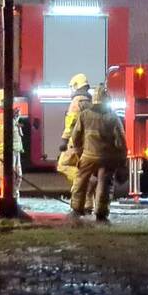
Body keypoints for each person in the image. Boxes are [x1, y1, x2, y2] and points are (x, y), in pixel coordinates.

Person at [68, 84, 126, 223]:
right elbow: (121, 141)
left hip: (88, 156)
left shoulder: (85, 115)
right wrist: (121, 159)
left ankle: (77, 209)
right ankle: (101, 212)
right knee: (104, 184)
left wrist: (79, 153)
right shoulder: (113, 117)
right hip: (107, 158)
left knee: (81, 181)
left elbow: (76, 136)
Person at [57, 74, 93, 185]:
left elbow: (71, 122)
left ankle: (85, 181)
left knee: (62, 165)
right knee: (80, 165)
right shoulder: (88, 102)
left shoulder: (76, 101)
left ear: (76, 85)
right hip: (86, 140)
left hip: (75, 140)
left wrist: (64, 139)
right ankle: (85, 184)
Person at [0, 89, 23, 199]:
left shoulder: (6, 116)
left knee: (15, 175)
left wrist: (14, 118)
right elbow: (5, 134)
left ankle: (12, 196)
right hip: (4, 152)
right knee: (7, 176)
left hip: (13, 150)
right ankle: (5, 197)